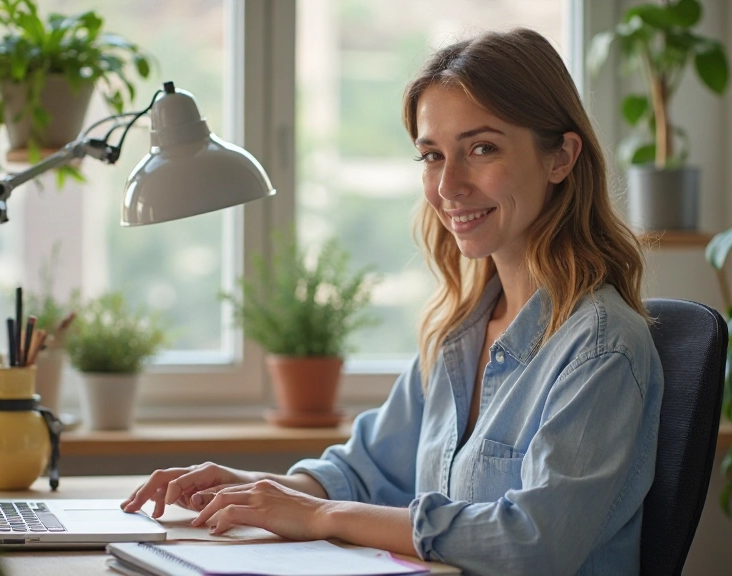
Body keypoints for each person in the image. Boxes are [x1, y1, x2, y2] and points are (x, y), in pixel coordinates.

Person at [121, 27, 663, 575]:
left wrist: (320, 515)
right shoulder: (459, 333)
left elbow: (531, 543)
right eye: (432, 155)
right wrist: (253, 488)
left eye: (482, 148)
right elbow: (365, 471)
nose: (448, 186)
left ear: (560, 158)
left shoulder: (601, 347)